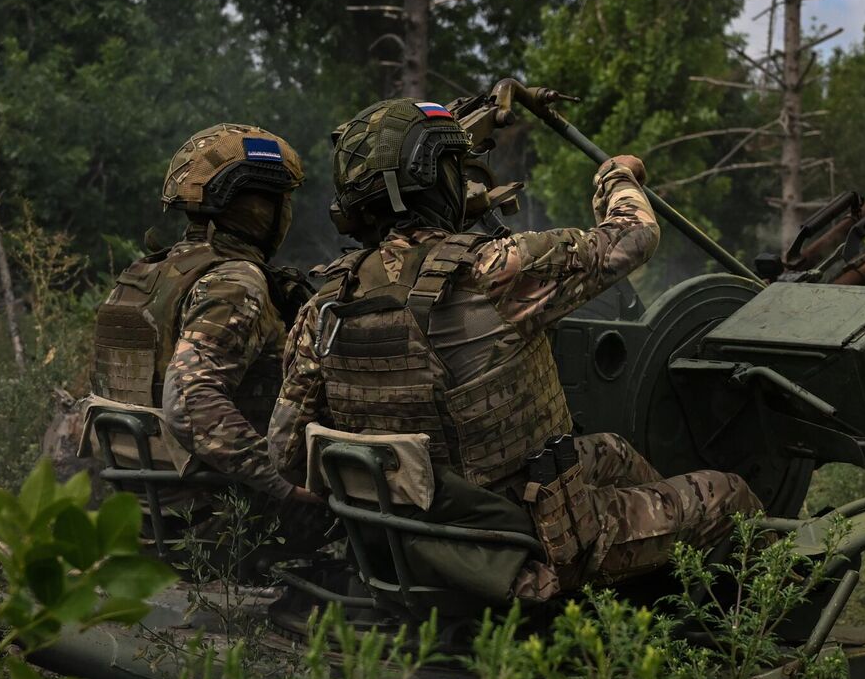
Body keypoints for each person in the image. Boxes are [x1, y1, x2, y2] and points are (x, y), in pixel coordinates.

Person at [267, 97, 761, 602]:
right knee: (729, 493)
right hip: (530, 539)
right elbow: (634, 236)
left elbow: (284, 452)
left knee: (611, 452)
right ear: (437, 179)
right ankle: (723, 623)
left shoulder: (324, 306)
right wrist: (616, 176)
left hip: (406, 539)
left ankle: (648, 580)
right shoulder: (494, 270)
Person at [90, 124, 325, 541]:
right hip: (218, 512)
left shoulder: (146, 275)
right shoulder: (235, 281)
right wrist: (280, 482)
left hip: (144, 509)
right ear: (258, 208)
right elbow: (189, 401)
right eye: (282, 200)